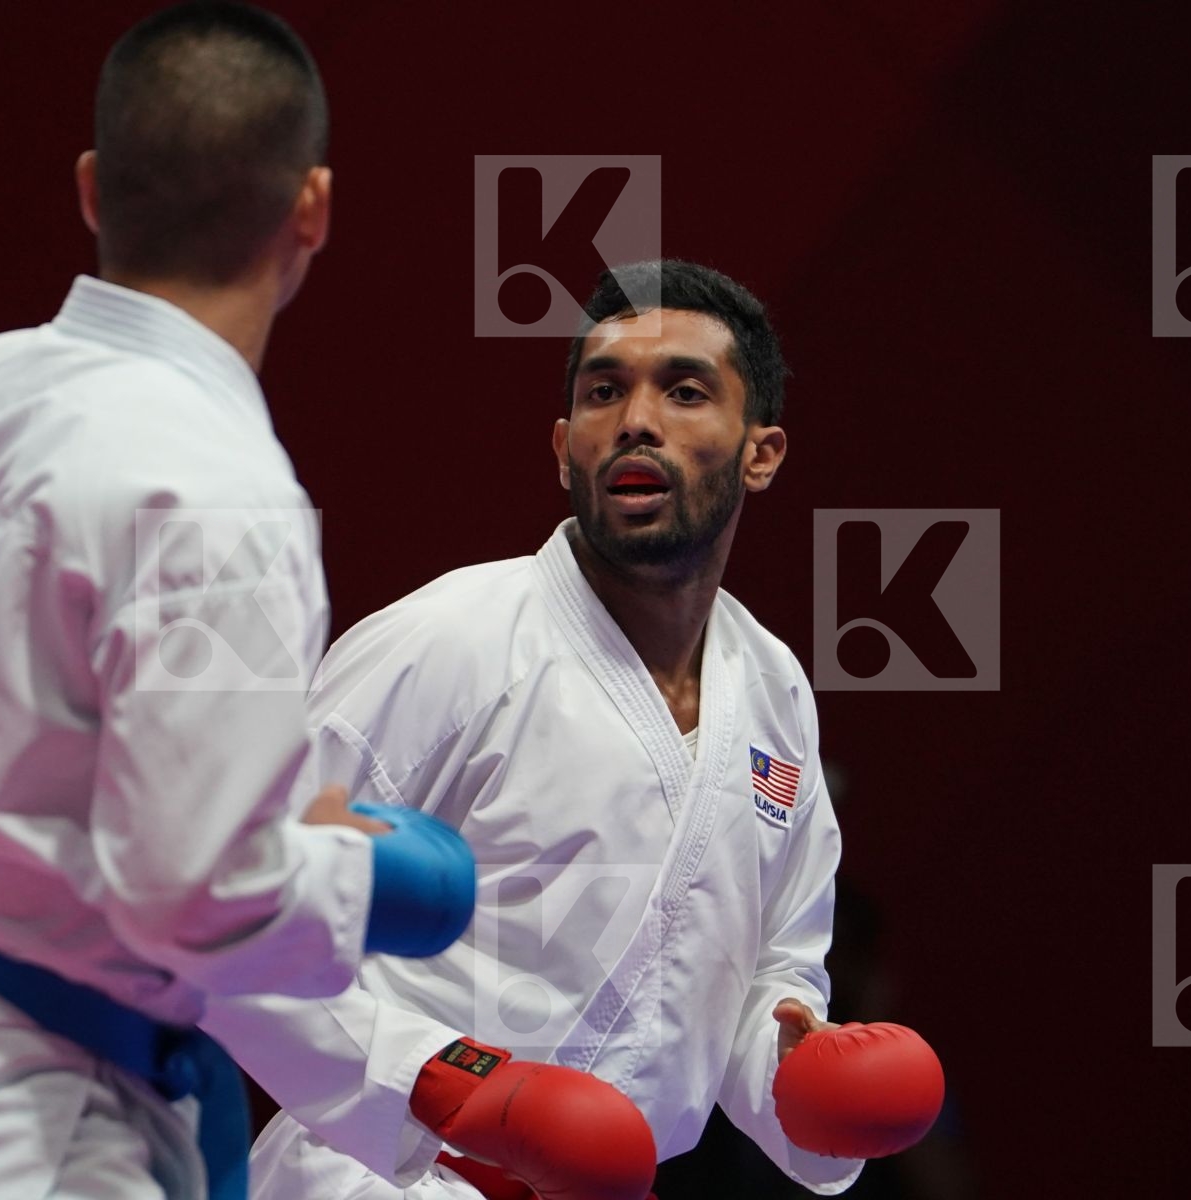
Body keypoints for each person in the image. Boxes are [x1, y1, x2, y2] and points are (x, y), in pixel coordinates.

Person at [0, 6, 472, 1199]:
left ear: (95, 188)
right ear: (312, 210)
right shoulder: (219, 491)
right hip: (30, 1120)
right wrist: (376, 881)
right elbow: (200, 898)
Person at [206, 260, 934, 1198]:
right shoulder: (448, 643)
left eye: (683, 389)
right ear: (563, 447)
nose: (636, 419)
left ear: (762, 451)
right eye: (604, 391)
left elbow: (773, 956)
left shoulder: (773, 688)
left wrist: (794, 1060)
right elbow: (232, 909)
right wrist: (450, 1084)